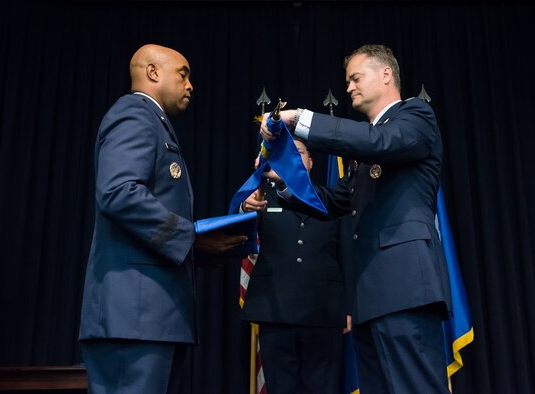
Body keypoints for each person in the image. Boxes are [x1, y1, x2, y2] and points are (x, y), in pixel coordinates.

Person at [260, 44, 452, 393]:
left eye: (355, 78)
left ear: (385, 74)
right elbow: (332, 201)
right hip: (369, 299)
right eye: (347, 81)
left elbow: (379, 141)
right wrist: (284, 182)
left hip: (405, 289)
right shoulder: (366, 154)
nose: (348, 87)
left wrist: (300, 118)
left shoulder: (416, 116)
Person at [78, 44, 246, 393]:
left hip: (153, 318)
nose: (191, 86)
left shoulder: (155, 124)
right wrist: (191, 238)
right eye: (183, 75)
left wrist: (201, 249)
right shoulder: (134, 115)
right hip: (133, 317)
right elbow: (118, 192)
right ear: (153, 73)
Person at [239, 137, 352, 393]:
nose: (294, 157)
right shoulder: (260, 197)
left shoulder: (332, 201)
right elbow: (238, 237)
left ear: (310, 163)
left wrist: (349, 307)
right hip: (275, 310)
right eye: (288, 153)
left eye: (299, 152)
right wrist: (246, 210)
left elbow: (346, 254)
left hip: (324, 312)